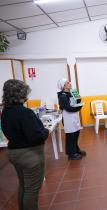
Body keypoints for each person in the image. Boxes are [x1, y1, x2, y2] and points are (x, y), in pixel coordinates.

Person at [1, 79, 49, 210]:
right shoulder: (24, 112)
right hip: (29, 155)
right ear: (20, 94)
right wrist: (45, 131)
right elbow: (35, 136)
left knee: (23, 185)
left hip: (14, 153)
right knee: (32, 189)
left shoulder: (6, 112)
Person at [57, 78, 85, 160]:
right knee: (70, 135)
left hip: (74, 116)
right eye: (67, 83)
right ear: (64, 86)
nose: (70, 83)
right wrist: (79, 107)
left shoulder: (71, 92)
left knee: (76, 133)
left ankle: (76, 150)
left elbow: (78, 101)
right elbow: (68, 108)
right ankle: (71, 154)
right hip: (68, 117)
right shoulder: (62, 96)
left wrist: (77, 96)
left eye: (69, 82)